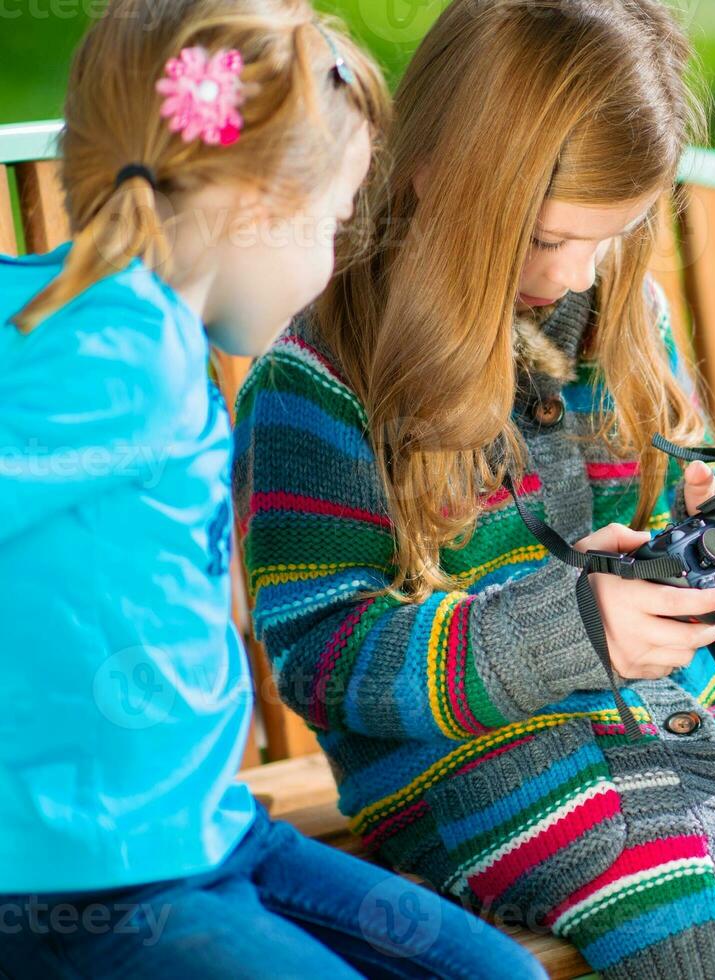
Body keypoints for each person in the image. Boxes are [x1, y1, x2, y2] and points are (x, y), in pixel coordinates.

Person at [232, 1, 715, 977]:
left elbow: (660, 479)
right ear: (442, 176)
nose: (580, 271)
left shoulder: (616, 308)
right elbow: (327, 656)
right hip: (488, 766)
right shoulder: (322, 379)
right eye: (551, 239)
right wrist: (571, 627)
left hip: (695, 715)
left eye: (612, 235)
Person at [0, 2, 545, 976]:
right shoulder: (112, 352)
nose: (334, 258)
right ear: (257, 205)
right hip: (90, 878)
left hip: (206, 829)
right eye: (335, 221)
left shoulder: (138, 336)